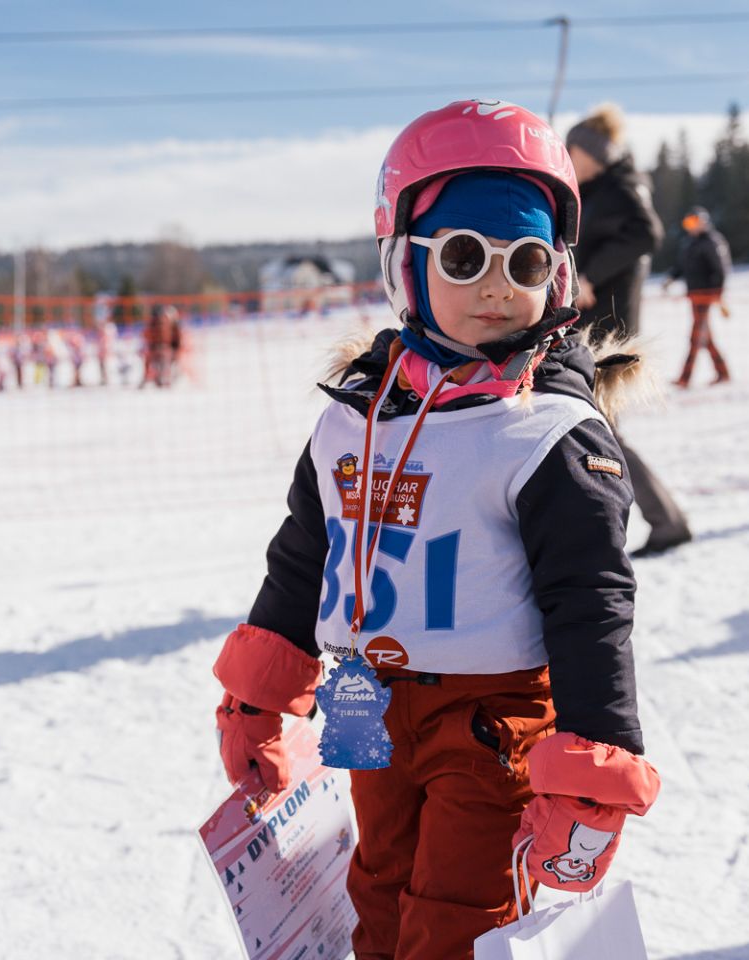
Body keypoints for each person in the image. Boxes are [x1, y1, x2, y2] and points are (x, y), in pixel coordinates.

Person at [211, 100, 660, 960]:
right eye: (463, 256)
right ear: (404, 267)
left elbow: (591, 604)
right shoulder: (355, 420)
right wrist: (258, 697)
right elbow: (305, 558)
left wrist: (592, 770)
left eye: (526, 260)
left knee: (457, 922)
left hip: (492, 724)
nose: (497, 285)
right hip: (372, 706)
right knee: (378, 901)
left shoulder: (547, 435)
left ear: (557, 275)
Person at [566, 104, 692, 556]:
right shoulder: (596, 191)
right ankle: (654, 521)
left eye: (572, 152)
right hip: (588, 331)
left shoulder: (622, 187)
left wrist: (590, 276)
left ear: (592, 153)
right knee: (595, 430)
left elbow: (647, 232)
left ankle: (663, 521)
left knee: (599, 432)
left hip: (608, 335)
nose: (567, 160)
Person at [665, 206, 732, 387]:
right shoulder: (689, 243)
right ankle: (723, 373)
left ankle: (685, 378)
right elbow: (682, 266)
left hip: (706, 296)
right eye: (688, 223)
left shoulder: (711, 241)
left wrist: (718, 294)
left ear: (703, 222)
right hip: (694, 295)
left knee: (696, 337)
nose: (691, 227)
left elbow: (720, 269)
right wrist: (671, 278)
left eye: (694, 222)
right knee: (705, 337)